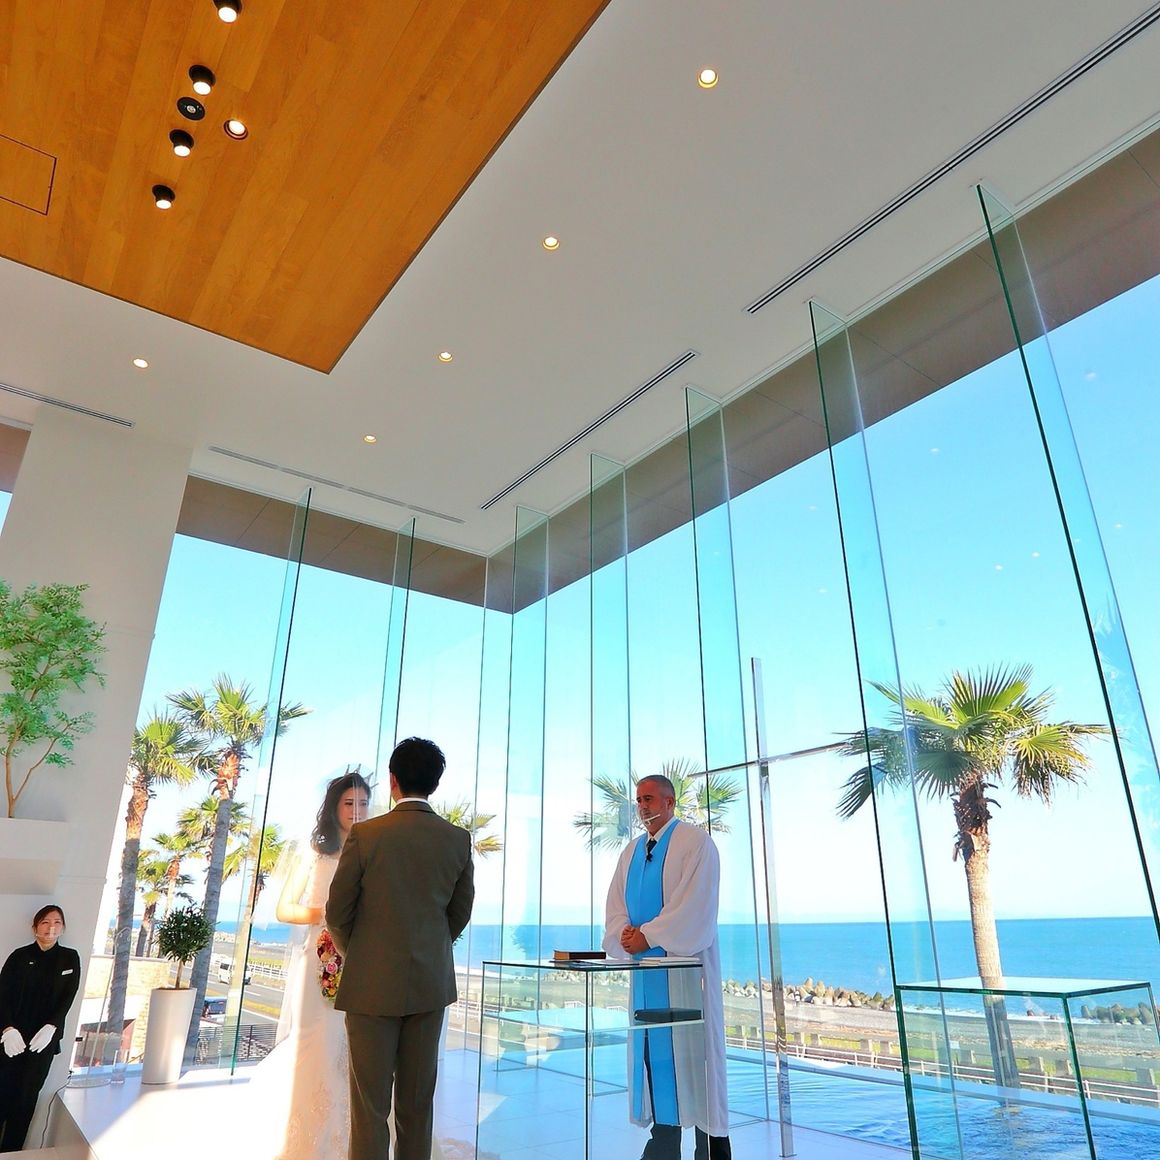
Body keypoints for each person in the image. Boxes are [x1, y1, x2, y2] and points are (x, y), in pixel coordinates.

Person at [327, 737, 474, 1160]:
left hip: (371, 987)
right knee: (417, 1105)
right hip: (429, 985)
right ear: (436, 782)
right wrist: (428, 947)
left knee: (369, 1108)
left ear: (393, 781)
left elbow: (338, 912)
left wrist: (361, 955)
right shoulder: (456, 839)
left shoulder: (366, 835)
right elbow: (459, 913)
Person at [603, 775, 731, 1160]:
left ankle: (709, 1150)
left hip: (686, 978)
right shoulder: (631, 851)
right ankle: (663, 1145)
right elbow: (615, 906)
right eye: (639, 800)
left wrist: (649, 935)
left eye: (649, 799)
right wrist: (625, 934)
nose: (642, 806)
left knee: (695, 1062)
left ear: (670, 802)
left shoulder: (695, 843)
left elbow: (695, 908)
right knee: (654, 1058)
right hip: (646, 976)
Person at [251, 769, 372, 1159]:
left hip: (360, 961)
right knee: (317, 1043)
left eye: (364, 803)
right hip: (318, 959)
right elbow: (285, 909)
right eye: (349, 803)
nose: (357, 810)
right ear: (334, 807)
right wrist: (330, 914)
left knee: (351, 1049)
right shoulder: (314, 853)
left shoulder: (372, 851)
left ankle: (351, 1135)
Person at [0, 904, 81, 1153]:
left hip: (42, 1041)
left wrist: (52, 1027)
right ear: (35, 927)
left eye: (56, 922)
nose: (51, 927)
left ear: (63, 927)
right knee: (2, 1093)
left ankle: (11, 1154)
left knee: (26, 1099)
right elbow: (2, 995)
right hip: (12, 1039)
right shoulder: (19, 956)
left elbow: (68, 997)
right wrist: (7, 1029)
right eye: (45, 922)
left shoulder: (70, 958)